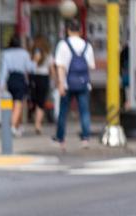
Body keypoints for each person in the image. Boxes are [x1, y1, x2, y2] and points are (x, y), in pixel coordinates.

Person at [53, 19, 95, 148]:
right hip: (83, 84)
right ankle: (85, 139)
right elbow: (91, 66)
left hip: (67, 83)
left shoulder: (63, 45)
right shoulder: (87, 46)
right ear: (80, 31)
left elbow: (60, 66)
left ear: (68, 30)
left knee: (63, 111)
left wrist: (60, 83)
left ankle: (61, 139)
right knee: (84, 111)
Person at [0, 34, 34, 137]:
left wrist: (2, 83)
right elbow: (30, 68)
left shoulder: (6, 53)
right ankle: (12, 126)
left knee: (12, 103)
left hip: (11, 79)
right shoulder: (24, 53)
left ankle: (17, 126)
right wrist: (35, 61)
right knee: (18, 103)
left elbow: (4, 69)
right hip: (20, 79)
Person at [29, 36, 55, 135]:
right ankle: (38, 124)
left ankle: (36, 121)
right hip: (44, 78)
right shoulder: (48, 54)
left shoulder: (32, 54)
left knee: (35, 101)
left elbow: (30, 67)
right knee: (41, 102)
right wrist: (54, 80)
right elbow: (52, 69)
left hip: (34, 77)